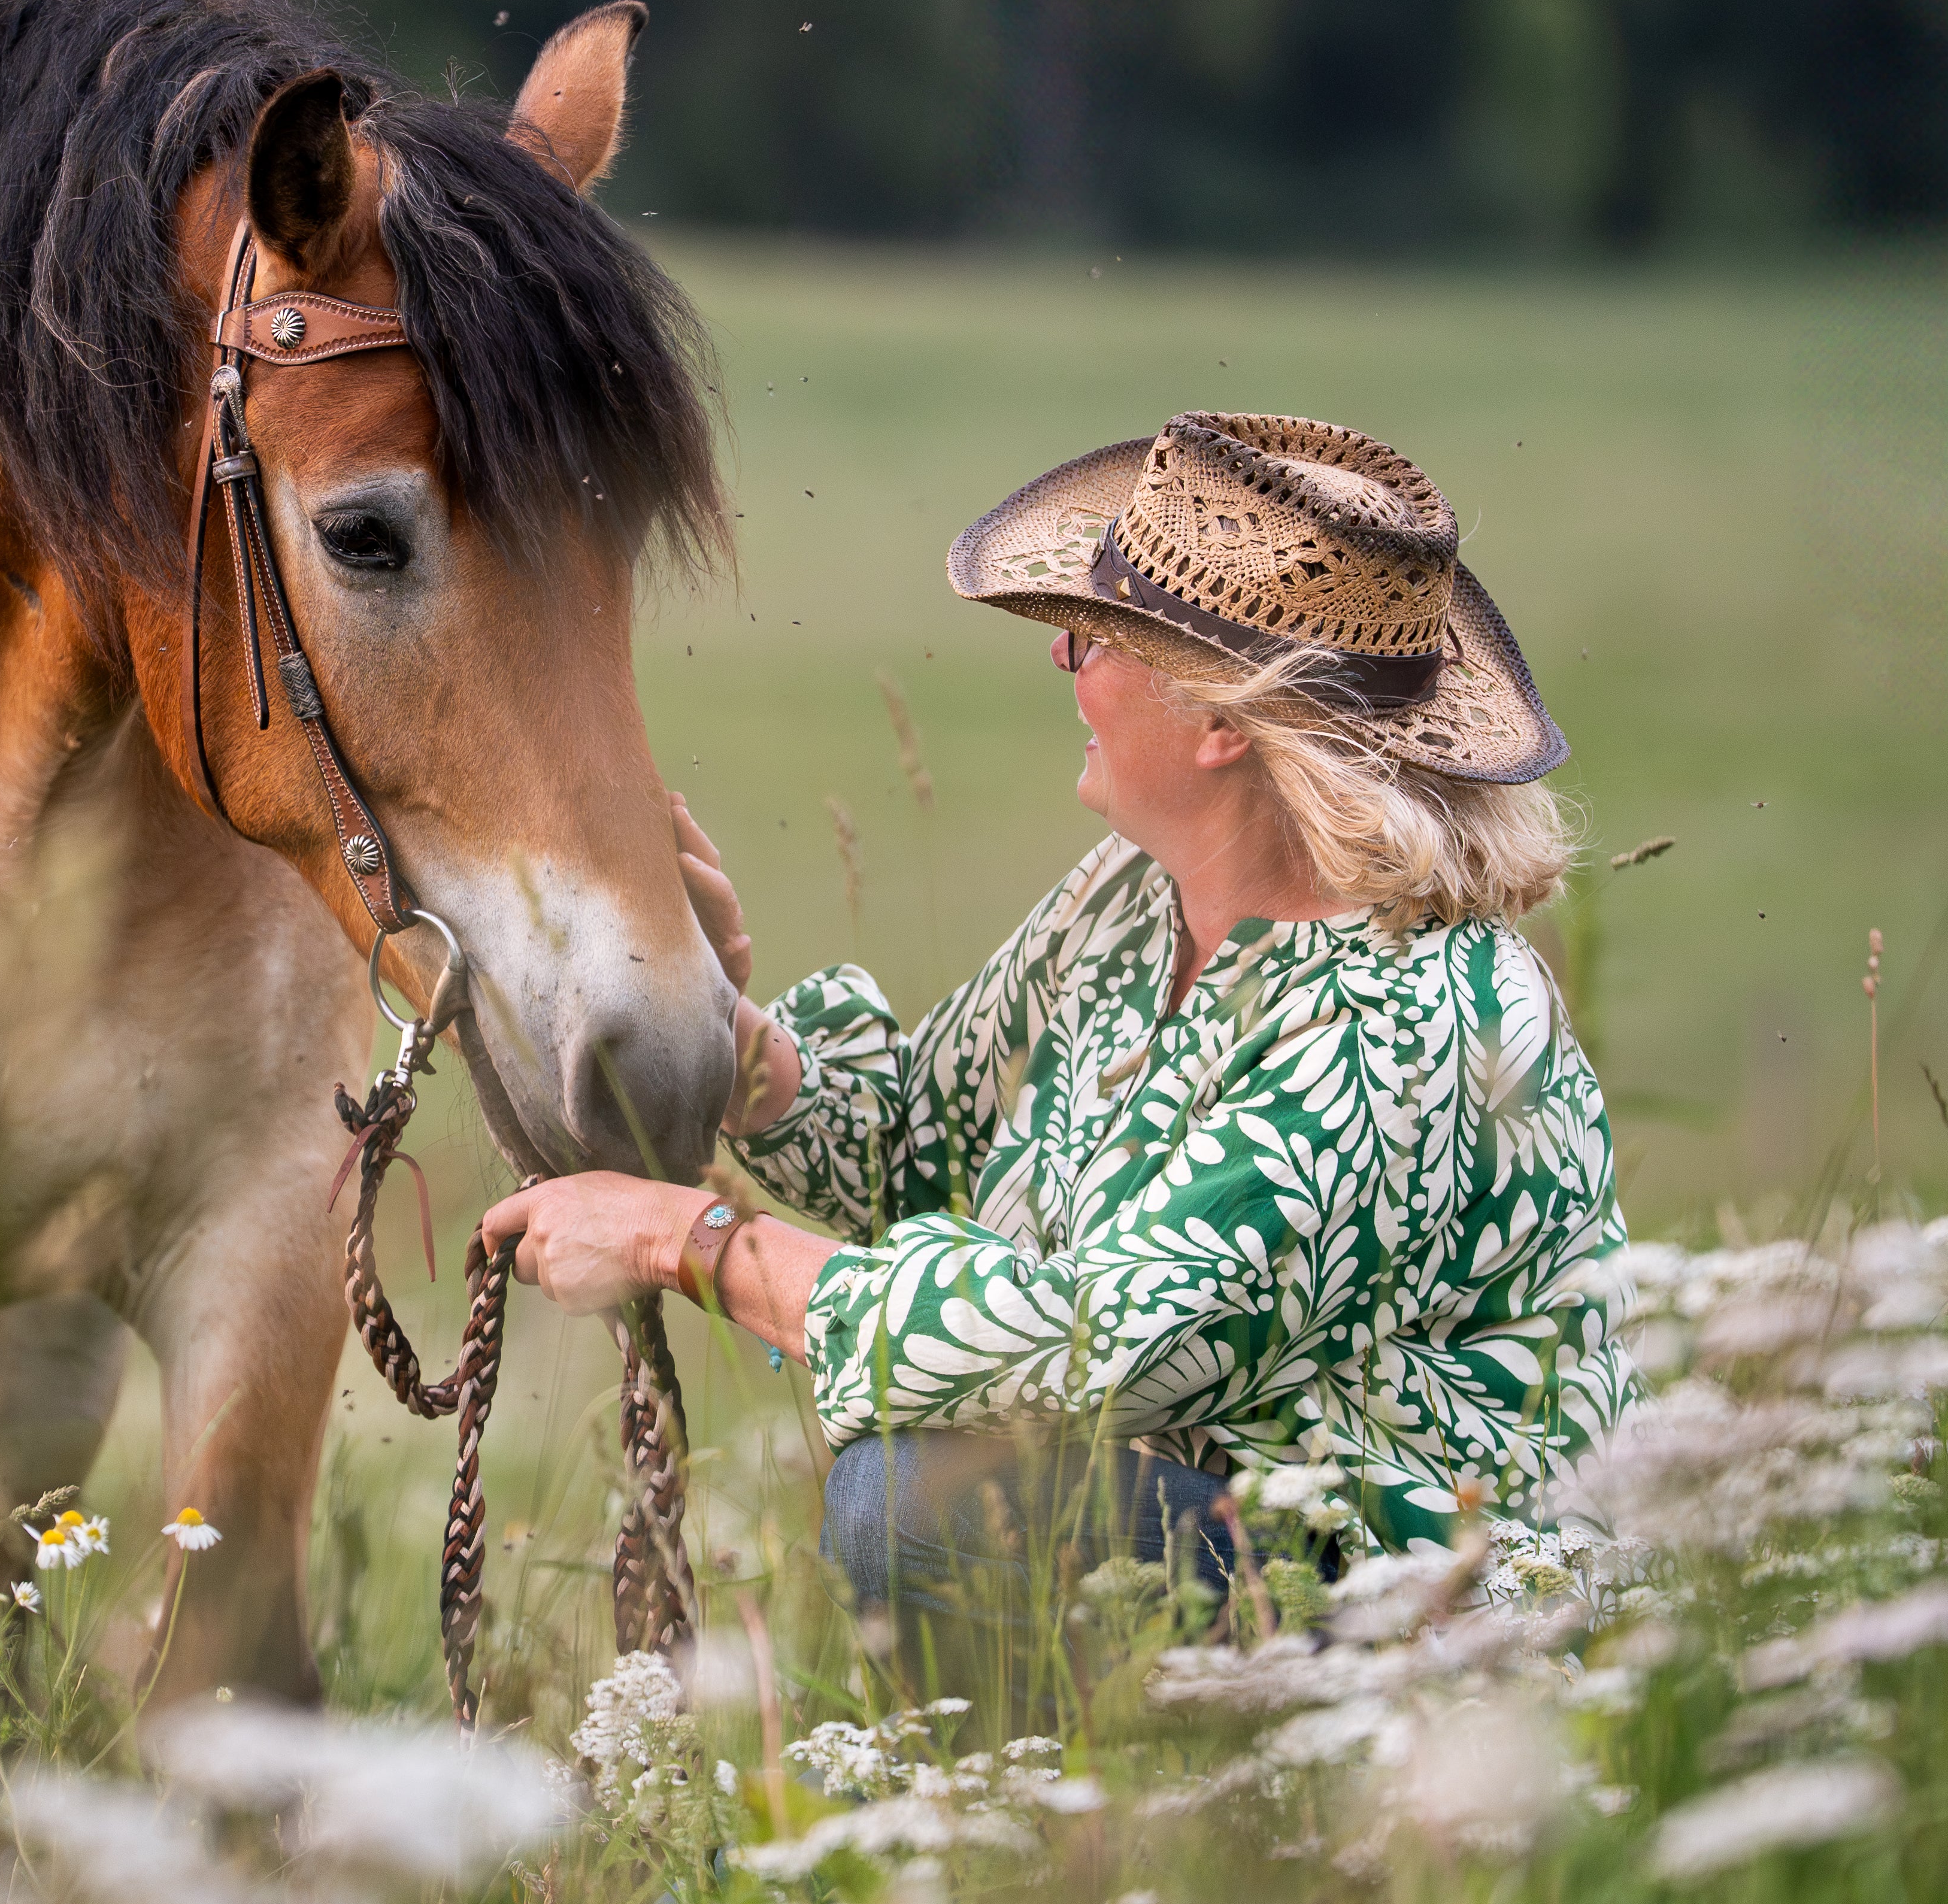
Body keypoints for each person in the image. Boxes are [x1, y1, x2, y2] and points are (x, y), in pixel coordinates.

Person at [480, 410, 1637, 1641]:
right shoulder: (1137, 898)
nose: (1060, 660)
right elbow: (918, 1153)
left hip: (1426, 1614)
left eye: (1095, 636)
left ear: (1221, 724)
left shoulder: (1403, 1019)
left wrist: (681, 1240)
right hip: (1231, 1521)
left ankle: (1099, 1772)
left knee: (920, 1507)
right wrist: (716, 1027)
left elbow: (1089, 1353)